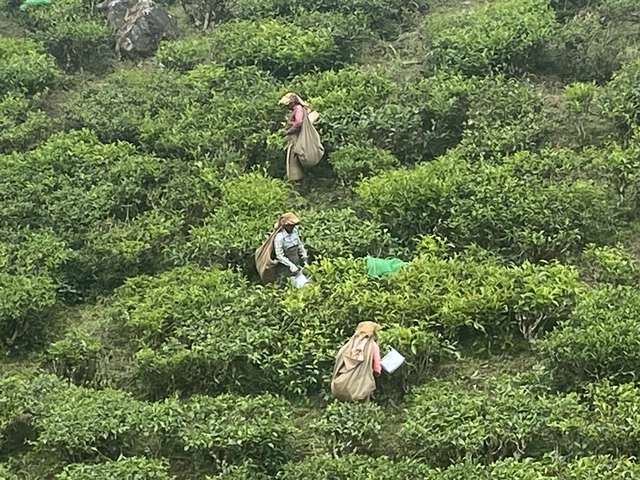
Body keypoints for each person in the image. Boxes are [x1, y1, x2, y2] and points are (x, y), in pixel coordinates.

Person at [331, 321, 382, 402]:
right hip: (361, 382)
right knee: (363, 400)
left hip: (344, 381)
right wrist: (377, 373)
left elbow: (340, 356)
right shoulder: (373, 346)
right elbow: (377, 367)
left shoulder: (351, 342)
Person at [278, 93, 324, 182]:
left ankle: (297, 183)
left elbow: (299, 122)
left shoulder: (298, 108)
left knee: (294, 159)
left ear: (293, 102)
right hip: (296, 137)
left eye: (288, 104)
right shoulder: (297, 109)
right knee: (293, 159)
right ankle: (297, 182)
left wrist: (289, 131)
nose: (287, 107)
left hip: (297, 137)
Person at [273, 212, 308, 279]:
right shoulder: (279, 237)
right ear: (285, 225)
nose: (293, 227)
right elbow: (279, 255)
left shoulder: (294, 231)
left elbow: (299, 243)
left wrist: (303, 254)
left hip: (296, 260)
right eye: (291, 225)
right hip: (286, 265)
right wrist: (292, 266)